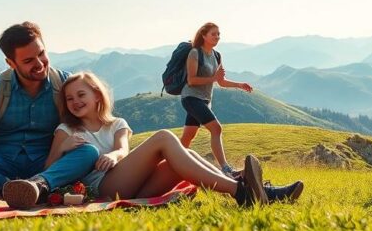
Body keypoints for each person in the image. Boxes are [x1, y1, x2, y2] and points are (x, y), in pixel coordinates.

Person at [48, 72, 303, 204]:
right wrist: (63, 149)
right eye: (69, 99)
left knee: (185, 157)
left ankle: (258, 192)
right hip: (103, 189)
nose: (75, 102)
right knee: (164, 138)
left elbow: (122, 150)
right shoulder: (67, 130)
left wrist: (114, 155)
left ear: (96, 95)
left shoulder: (117, 124)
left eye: (80, 95)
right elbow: (48, 171)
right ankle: (241, 190)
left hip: (132, 185)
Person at [0, 22, 99, 209]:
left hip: (48, 161)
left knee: (89, 152)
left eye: (41, 54)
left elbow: (92, 120)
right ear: (11, 63)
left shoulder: (65, 84)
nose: (39, 64)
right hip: (2, 159)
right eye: (28, 61)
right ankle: (10, 190)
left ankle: (38, 186)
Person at [179, 22, 254, 177]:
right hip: (191, 98)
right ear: (204, 35)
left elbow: (221, 81)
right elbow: (191, 80)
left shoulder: (217, 55)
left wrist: (240, 84)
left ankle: (171, 163)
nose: (217, 37)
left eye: (218, 34)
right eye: (214, 34)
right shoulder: (194, 53)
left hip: (205, 100)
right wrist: (213, 78)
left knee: (188, 136)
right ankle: (226, 169)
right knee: (216, 128)